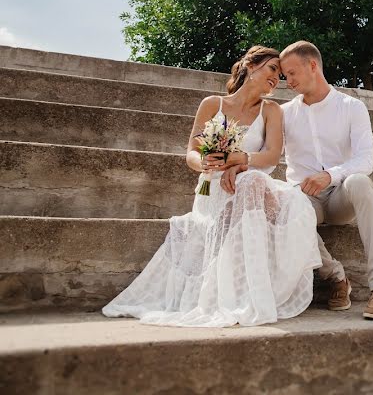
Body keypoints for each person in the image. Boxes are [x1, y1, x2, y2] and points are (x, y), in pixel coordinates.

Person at [102, 46, 322, 327]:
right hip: (213, 187)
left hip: (250, 180)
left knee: (264, 186)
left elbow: (272, 155)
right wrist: (205, 163)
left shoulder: (271, 110)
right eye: (271, 69)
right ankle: (235, 294)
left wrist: (240, 161)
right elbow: (191, 153)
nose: (276, 79)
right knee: (248, 183)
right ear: (251, 66)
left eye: (280, 75)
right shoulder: (212, 104)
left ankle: (253, 294)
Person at [278, 40, 373, 320]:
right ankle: (336, 278)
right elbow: (265, 152)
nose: (288, 81)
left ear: (313, 66)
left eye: (292, 73)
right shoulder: (283, 114)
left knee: (360, 182)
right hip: (306, 200)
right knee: (286, 201)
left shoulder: (352, 107)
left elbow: (366, 160)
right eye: (285, 75)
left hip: (342, 196)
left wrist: (330, 174)